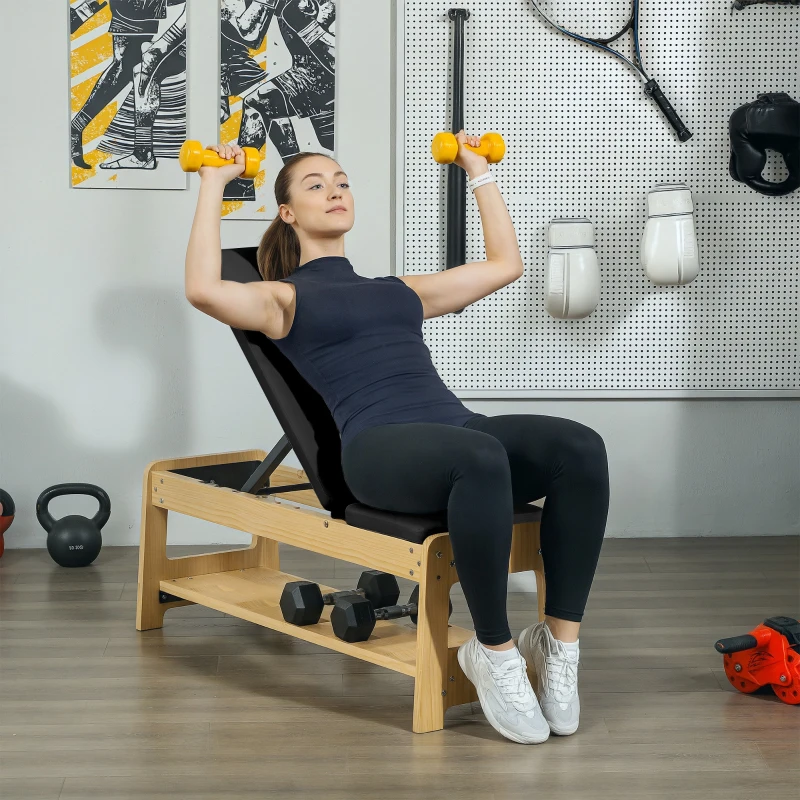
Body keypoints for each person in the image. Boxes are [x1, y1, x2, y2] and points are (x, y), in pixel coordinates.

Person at [184, 135, 610, 745]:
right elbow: (204, 289)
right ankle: (493, 651)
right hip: (377, 450)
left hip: (455, 430)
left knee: (580, 447)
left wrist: (478, 170)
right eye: (316, 185)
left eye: (342, 182)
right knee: (479, 456)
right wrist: (212, 185)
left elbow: (505, 265)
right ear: (287, 212)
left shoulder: (398, 289)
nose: (335, 191)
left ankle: (558, 645)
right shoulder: (283, 300)